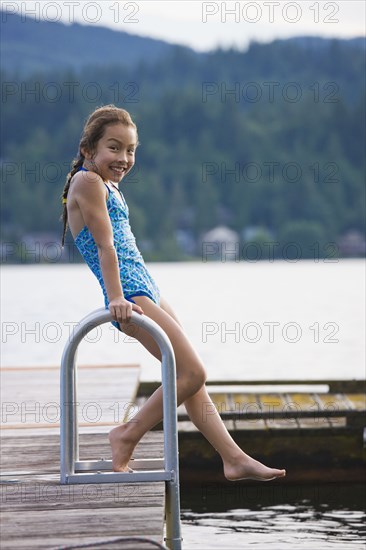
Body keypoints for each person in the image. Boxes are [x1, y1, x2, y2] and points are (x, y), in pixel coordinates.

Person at [60, 104, 286, 482]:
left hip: (145, 287)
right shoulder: (87, 182)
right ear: (88, 150)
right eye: (114, 148)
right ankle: (127, 434)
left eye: (131, 150)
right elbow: (106, 248)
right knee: (193, 371)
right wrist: (117, 298)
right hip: (129, 293)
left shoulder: (107, 184)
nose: (124, 158)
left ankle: (232, 457)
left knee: (189, 377)